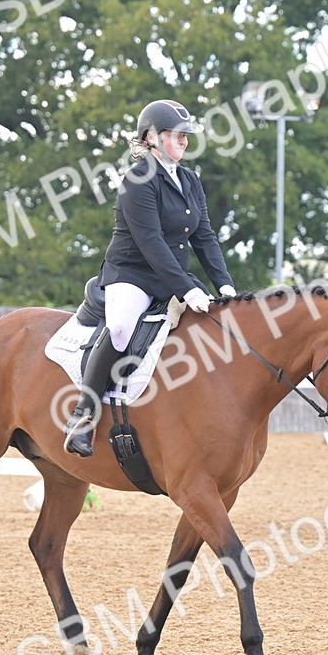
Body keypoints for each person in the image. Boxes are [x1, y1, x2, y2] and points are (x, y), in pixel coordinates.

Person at [63, 99, 238, 457]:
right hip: (132, 274)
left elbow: (204, 237)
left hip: (171, 277)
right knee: (123, 329)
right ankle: (82, 416)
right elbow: (153, 244)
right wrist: (188, 288)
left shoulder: (189, 180)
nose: (185, 142)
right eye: (177, 135)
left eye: (187, 136)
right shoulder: (137, 180)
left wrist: (224, 284)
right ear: (152, 138)